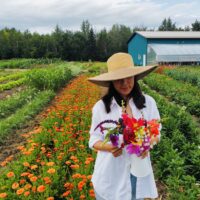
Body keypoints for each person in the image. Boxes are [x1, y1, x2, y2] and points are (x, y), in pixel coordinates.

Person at [88, 52, 161, 200]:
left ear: (135, 77)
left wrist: (147, 145)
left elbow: (156, 131)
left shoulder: (148, 103)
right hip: (110, 176)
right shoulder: (101, 108)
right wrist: (109, 147)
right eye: (119, 80)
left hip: (137, 172)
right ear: (112, 82)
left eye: (129, 77)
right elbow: (93, 139)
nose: (125, 83)